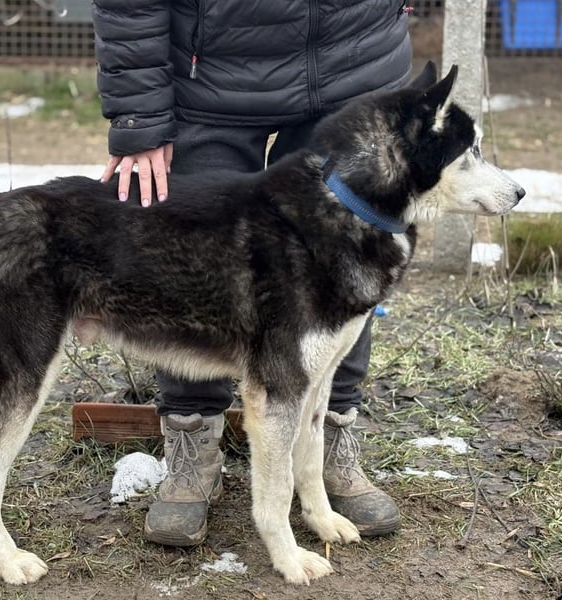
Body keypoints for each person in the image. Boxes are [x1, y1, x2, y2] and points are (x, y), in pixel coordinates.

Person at [92, 0, 412, 547]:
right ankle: (193, 442)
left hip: (353, 62)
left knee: (347, 267)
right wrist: (140, 115)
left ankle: (330, 435)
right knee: (193, 272)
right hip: (207, 72)